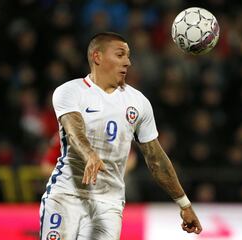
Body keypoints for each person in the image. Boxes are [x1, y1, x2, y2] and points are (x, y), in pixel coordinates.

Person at [39, 32, 202, 240]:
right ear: (97, 57)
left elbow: (156, 158)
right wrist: (89, 154)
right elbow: (73, 129)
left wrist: (184, 204)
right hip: (66, 195)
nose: (128, 62)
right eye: (120, 55)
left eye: (128, 56)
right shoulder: (70, 91)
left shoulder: (139, 102)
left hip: (109, 203)